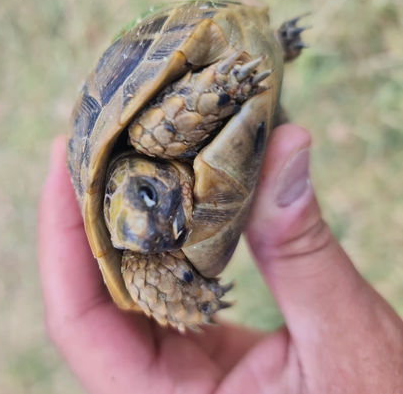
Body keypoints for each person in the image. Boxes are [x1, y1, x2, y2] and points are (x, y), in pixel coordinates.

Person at [37, 124, 403, 393]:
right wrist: (183, 300)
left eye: (148, 194)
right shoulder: (143, 260)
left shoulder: (158, 130)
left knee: (158, 130)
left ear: (148, 168)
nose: (155, 235)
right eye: (136, 239)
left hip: (179, 115)